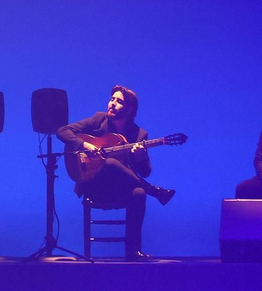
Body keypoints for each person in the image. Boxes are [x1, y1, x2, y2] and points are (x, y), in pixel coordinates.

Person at [55, 85, 175, 261]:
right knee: (110, 162)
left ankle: (133, 251)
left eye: (119, 102)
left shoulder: (139, 134)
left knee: (139, 192)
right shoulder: (97, 120)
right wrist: (85, 145)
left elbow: (145, 172)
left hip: (120, 188)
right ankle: (155, 191)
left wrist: (140, 157)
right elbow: (62, 131)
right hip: (93, 184)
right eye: (112, 99)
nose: (112, 104)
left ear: (130, 109)